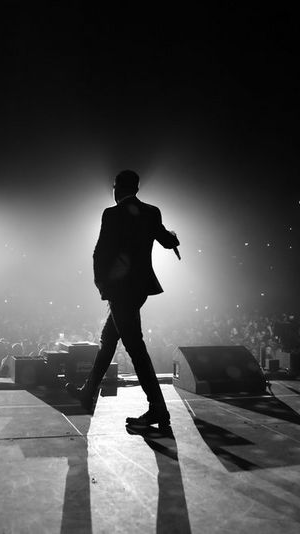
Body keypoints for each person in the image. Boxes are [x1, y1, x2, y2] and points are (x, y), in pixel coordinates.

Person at [67, 169, 180, 430]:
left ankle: (159, 410)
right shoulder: (152, 211)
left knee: (135, 348)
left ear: (117, 188)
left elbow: (100, 251)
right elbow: (165, 239)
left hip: (120, 289)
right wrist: (174, 237)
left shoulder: (112, 213)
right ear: (137, 189)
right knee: (108, 340)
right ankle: (87, 392)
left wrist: (101, 285)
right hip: (140, 288)